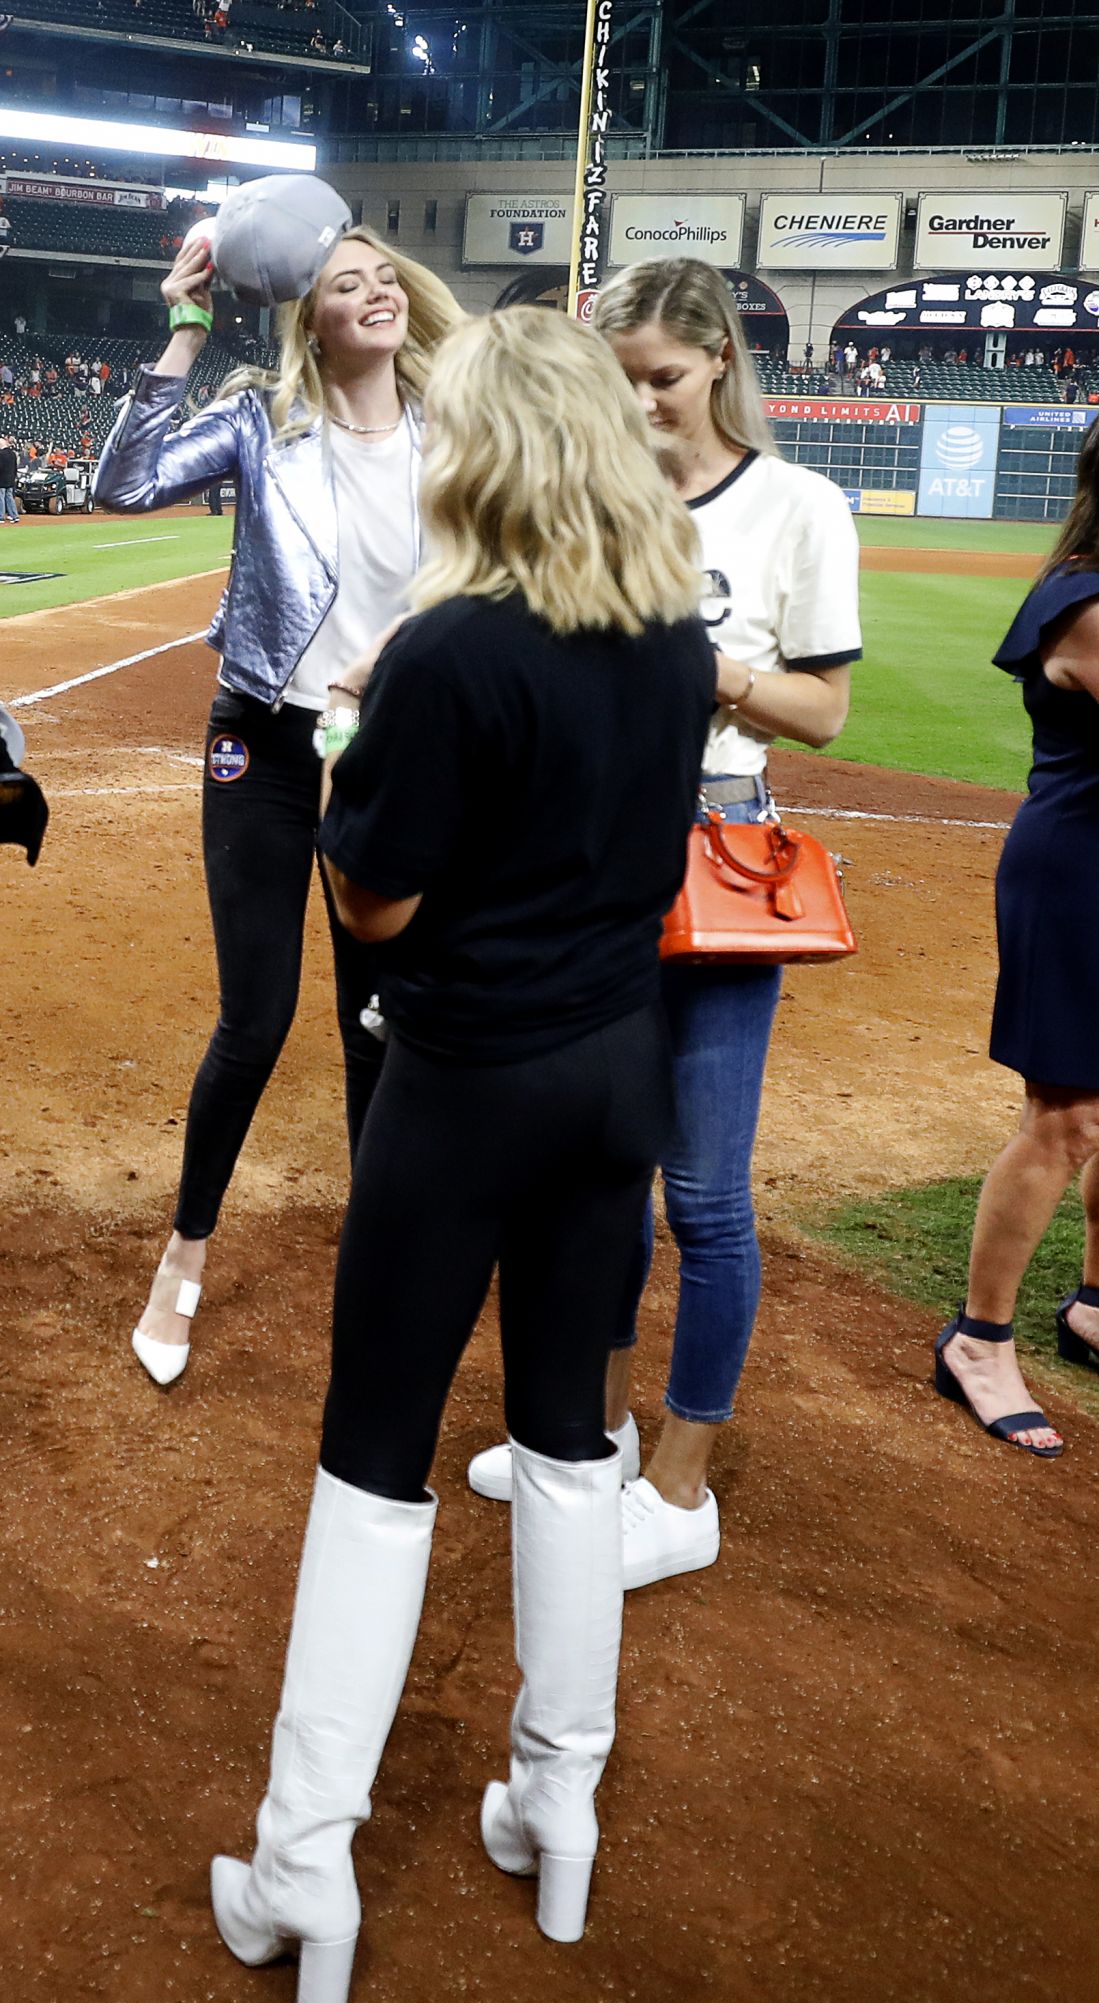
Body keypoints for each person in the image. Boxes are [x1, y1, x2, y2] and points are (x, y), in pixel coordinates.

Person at [209, 308, 716, 2003]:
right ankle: (555, 1799)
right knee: (572, 1434)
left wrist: (362, 746)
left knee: (375, 1455)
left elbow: (378, 903)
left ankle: (305, 1863)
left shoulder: (450, 650)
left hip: (466, 1085)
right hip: (614, 1080)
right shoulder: (670, 632)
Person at [465, 258, 862, 1587]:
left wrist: (716, 674)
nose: (641, 405)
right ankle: (600, 1435)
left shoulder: (797, 504)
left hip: (713, 854)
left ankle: (681, 1489)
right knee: (598, 1174)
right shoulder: (583, 499)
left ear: (716, 367)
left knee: (700, 1192)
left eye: (664, 380)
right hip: (583, 855)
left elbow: (820, 712)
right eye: (619, 380)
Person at [95, 222, 461, 1387]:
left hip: (393, 745)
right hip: (265, 736)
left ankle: (384, 1265)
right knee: (254, 1019)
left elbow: (497, 572)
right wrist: (186, 323)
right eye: (344, 281)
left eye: (384, 274)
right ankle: (184, 1257)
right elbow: (122, 481)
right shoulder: (264, 420)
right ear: (307, 316)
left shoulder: (457, 430)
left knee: (379, 1021)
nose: (374, 290)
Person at [932, 429, 1099, 1458]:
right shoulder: (1083, 601)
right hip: (1080, 875)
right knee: (1067, 1119)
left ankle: (1091, 1308)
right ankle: (978, 1340)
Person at [0, 434, 20, 522]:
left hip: (1, 480)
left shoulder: (1, 454)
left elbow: (0, 468)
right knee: (10, 498)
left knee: (0, 498)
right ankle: (14, 516)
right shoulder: (13, 454)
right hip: (10, 480)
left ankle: (1, 516)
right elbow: (15, 468)